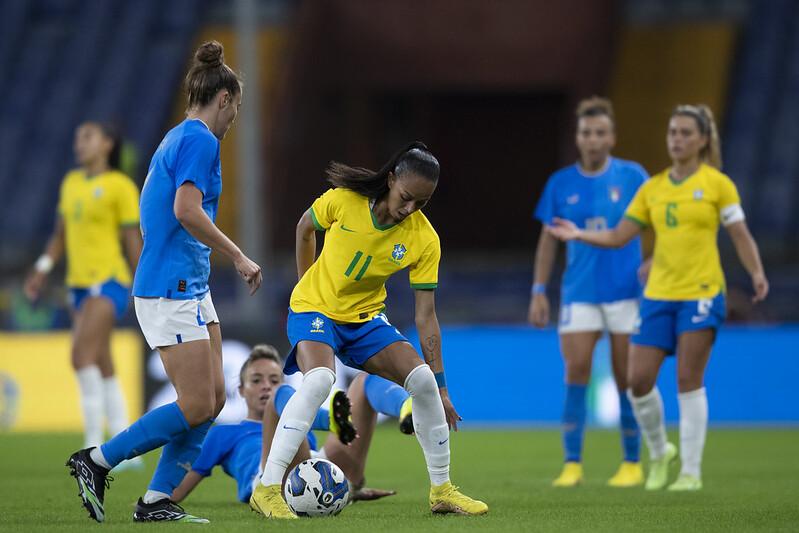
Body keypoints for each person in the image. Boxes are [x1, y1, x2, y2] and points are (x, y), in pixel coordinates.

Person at [65, 40, 262, 523]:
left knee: (213, 400)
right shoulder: (200, 140)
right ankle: (97, 460)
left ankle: (155, 500)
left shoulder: (176, 136)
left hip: (187, 284)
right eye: (236, 106)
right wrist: (237, 254)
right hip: (170, 287)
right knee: (196, 401)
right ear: (224, 99)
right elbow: (185, 209)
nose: (235, 116)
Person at [250, 142, 488, 518]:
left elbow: (426, 317)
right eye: (406, 197)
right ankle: (266, 489)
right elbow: (304, 227)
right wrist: (306, 283)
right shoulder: (344, 201)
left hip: (364, 320)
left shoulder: (424, 239)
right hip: (314, 309)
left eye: (421, 204)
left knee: (423, 381)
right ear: (391, 179)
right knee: (318, 382)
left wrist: (441, 389)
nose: (409, 209)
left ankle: (442, 490)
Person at [549, 104, 768, 491]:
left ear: (702, 140)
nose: (677, 139)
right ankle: (659, 451)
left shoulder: (718, 184)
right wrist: (579, 235)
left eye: (685, 133)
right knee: (637, 381)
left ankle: (691, 472)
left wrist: (756, 272)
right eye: (672, 133)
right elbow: (619, 236)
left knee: (687, 378)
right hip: (658, 295)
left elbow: (739, 234)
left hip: (701, 292)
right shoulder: (654, 188)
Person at [529, 97, 648, 488]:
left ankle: (631, 462)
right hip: (579, 292)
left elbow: (658, 224)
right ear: (577, 138)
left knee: (625, 376)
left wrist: (654, 261)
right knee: (576, 371)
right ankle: (572, 464)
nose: (592, 140)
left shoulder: (634, 177)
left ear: (612, 137)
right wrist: (539, 290)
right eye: (585, 133)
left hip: (626, 290)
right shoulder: (560, 183)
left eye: (599, 132)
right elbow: (548, 241)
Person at [25, 121, 143, 469]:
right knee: (102, 361)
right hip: (77, 287)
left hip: (109, 283)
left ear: (107, 144)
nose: (80, 144)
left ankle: (94, 446)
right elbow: (60, 235)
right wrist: (43, 268)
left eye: (87, 137)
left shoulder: (119, 185)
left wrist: (143, 281)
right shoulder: (72, 183)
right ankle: (125, 447)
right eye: (77, 138)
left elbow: (131, 238)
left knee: (80, 356)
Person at [171, 344, 412, 504]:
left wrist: (347, 491)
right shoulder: (223, 434)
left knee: (363, 380)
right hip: (271, 480)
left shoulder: (296, 424)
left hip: (315, 469)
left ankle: (408, 408)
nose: (266, 385)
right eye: (257, 380)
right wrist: (152, 501)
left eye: (274, 379)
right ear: (241, 390)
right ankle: (330, 420)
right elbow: (177, 491)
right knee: (283, 398)